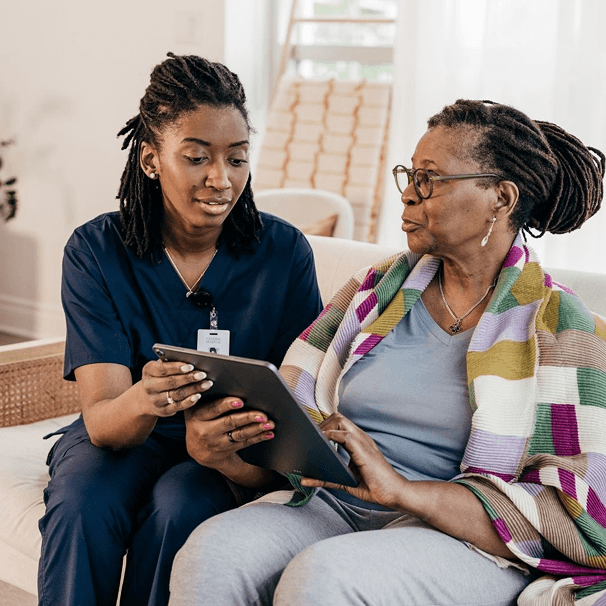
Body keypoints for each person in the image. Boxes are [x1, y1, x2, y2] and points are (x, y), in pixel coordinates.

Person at [168, 99, 606, 606]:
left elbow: (577, 516)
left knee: (324, 576)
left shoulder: (558, 325)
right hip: (336, 501)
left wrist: (400, 489)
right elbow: (300, 445)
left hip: (468, 540)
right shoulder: (375, 292)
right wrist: (227, 457)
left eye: (429, 179)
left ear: (500, 199)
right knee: (211, 551)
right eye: (409, 175)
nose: (407, 196)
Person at [37, 53, 323, 606]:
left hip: (225, 449)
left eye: (237, 159)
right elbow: (105, 425)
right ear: (150, 159)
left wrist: (232, 453)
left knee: (180, 505)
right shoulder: (96, 251)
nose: (221, 179)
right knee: (81, 503)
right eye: (196, 158)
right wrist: (149, 398)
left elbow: (301, 404)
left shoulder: (284, 253)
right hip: (129, 429)